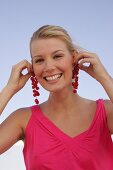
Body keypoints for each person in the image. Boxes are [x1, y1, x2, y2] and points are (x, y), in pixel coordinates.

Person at [0, 25, 113, 170]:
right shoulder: (22, 119)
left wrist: (104, 77)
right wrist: (9, 89)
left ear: (74, 58)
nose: (49, 66)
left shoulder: (105, 111)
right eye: (39, 60)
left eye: (57, 56)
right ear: (32, 67)